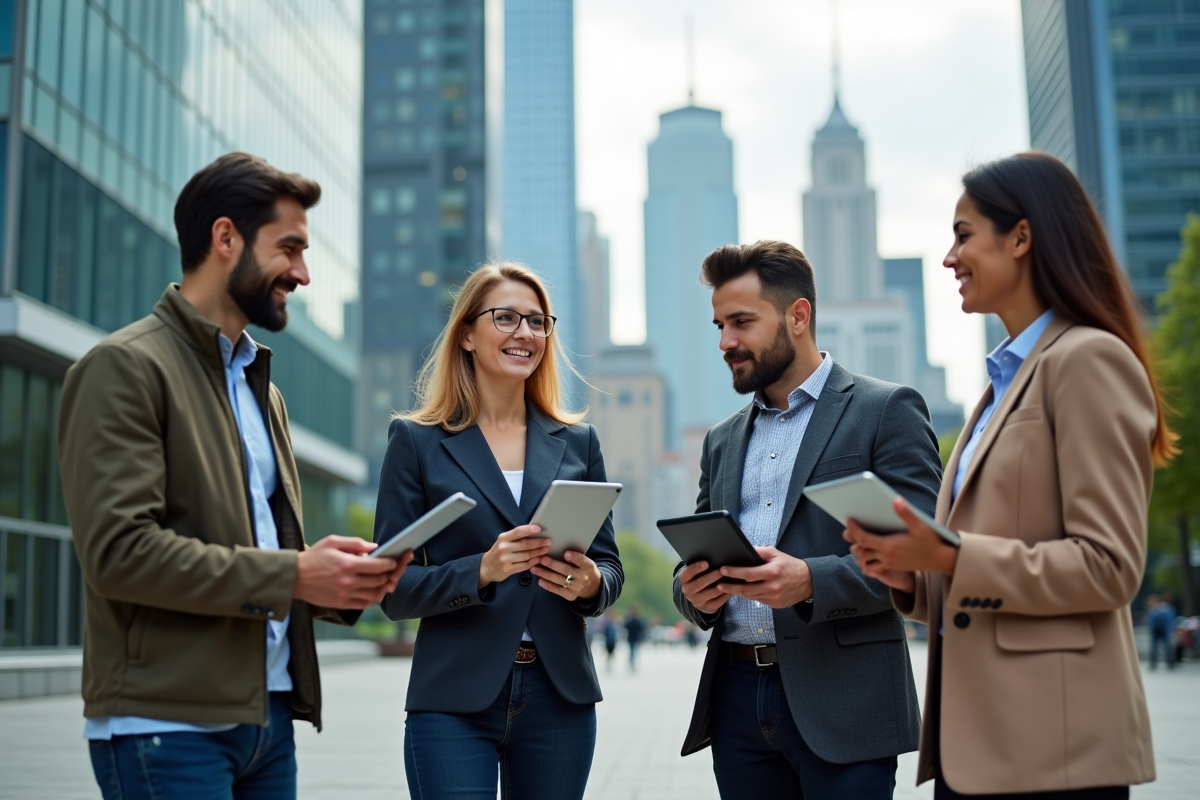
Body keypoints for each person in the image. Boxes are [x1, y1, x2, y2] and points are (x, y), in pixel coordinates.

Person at [57, 153, 411, 800]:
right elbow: (119, 554)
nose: (302, 274)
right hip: (167, 725)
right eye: (290, 249)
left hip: (267, 720)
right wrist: (295, 574)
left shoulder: (262, 392)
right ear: (226, 238)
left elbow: (258, 554)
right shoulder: (123, 368)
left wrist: (337, 581)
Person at [845, 152, 1173, 798]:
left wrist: (950, 555)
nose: (949, 258)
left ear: (1021, 237)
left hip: (1054, 751)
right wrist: (913, 574)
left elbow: (1109, 567)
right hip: (978, 746)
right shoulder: (1002, 386)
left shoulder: (1088, 360)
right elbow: (990, 567)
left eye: (963, 234)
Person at [672, 240, 942, 798]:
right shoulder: (721, 440)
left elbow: (925, 559)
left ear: (798, 316)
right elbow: (694, 563)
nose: (725, 342)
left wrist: (810, 581)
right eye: (720, 326)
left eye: (742, 322)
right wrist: (692, 591)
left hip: (847, 700)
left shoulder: (886, 410)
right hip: (737, 701)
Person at [373, 262, 624, 800]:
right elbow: (391, 588)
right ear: (466, 334)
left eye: (537, 321)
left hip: (560, 699)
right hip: (453, 698)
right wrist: (482, 570)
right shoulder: (416, 442)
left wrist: (590, 584)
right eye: (506, 318)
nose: (525, 333)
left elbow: (609, 568)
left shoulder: (579, 443)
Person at [1147, 594, 1178, 671]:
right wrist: (1171, 630)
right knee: (1167, 647)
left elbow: (1150, 620)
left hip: (1156, 630)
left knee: (1154, 647)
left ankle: (1153, 664)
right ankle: (1170, 663)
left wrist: (1151, 628)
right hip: (1164, 630)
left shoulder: (1153, 609)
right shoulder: (1167, 608)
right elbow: (1170, 620)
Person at [624, 606, 646, 672]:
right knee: (634, 652)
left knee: (632, 652)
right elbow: (641, 630)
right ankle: (632, 664)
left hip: (633, 638)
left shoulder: (632, 621)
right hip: (634, 639)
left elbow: (626, 626)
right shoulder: (637, 622)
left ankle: (632, 664)